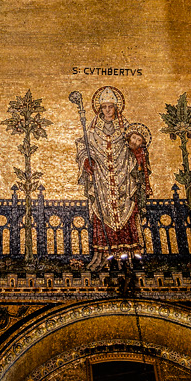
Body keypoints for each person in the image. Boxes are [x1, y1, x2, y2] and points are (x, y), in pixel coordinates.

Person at [77, 86, 146, 255]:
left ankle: (131, 253)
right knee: (102, 212)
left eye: (111, 106)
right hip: (101, 180)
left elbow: (137, 146)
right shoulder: (92, 131)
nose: (107, 110)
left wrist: (137, 153)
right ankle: (105, 254)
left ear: (116, 107)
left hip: (124, 180)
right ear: (100, 109)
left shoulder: (126, 129)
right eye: (104, 107)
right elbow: (83, 147)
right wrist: (86, 161)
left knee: (127, 210)